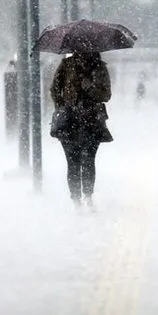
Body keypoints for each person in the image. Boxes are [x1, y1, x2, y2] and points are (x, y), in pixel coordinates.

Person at [50, 52, 113, 210]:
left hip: (91, 120)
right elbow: (54, 89)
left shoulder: (99, 67)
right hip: (69, 120)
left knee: (88, 160)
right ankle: (76, 199)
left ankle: (87, 195)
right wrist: (63, 105)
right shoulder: (67, 65)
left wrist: (90, 88)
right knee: (73, 161)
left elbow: (106, 95)